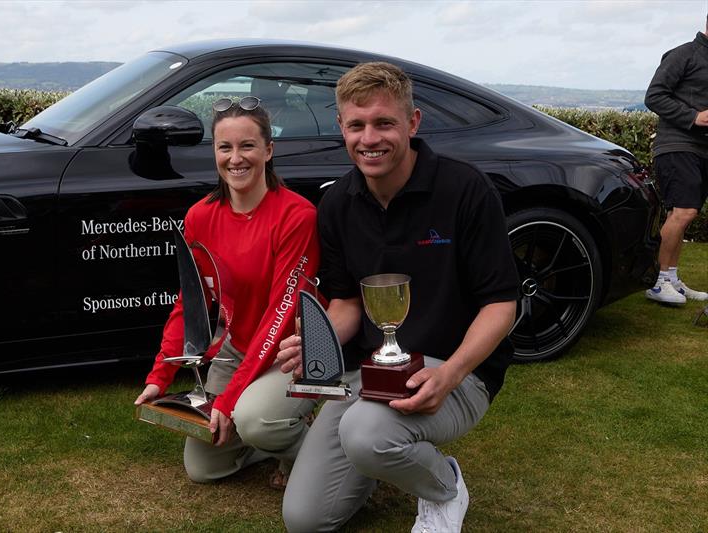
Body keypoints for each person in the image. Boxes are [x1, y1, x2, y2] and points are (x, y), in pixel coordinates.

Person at [276, 62, 520, 532]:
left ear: (413, 122)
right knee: (304, 520)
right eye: (357, 125)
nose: (370, 138)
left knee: (365, 433)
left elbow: (501, 304)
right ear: (341, 129)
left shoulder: (466, 189)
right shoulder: (338, 203)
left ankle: (444, 485)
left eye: (384, 123)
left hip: (454, 372)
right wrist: (320, 345)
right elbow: (346, 303)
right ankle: (377, 460)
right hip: (372, 372)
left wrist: (449, 375)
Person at [134, 96, 319, 488]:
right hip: (238, 348)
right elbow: (192, 302)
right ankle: (266, 440)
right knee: (204, 467)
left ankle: (318, 451)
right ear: (215, 153)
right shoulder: (200, 215)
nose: (236, 158)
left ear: (268, 150)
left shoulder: (296, 216)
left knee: (254, 418)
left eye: (247, 146)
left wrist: (231, 397)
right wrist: (161, 375)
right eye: (225, 147)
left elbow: (279, 315)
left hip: (289, 352)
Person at [643, 15, 708, 305]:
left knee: (680, 216)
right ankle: (658, 282)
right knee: (684, 212)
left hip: (701, 150)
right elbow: (654, 95)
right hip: (676, 145)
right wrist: (693, 117)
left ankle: (671, 279)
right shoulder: (684, 54)